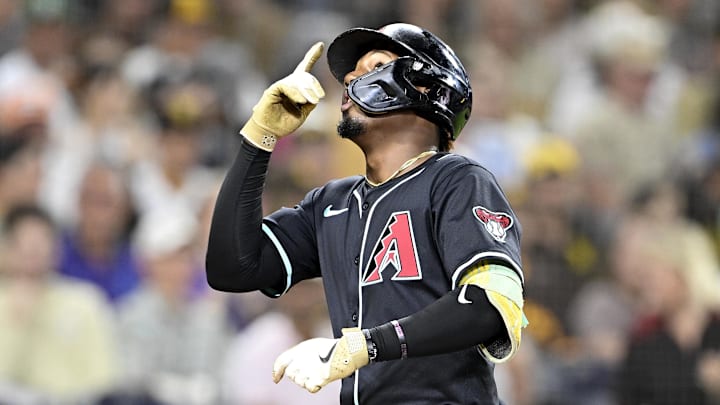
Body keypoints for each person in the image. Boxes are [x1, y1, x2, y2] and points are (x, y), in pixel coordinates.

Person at [206, 23, 527, 405]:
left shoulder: (457, 180)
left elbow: (492, 305)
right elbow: (233, 268)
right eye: (349, 74)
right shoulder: (330, 204)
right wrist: (259, 136)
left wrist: (368, 346)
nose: (351, 79)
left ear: (424, 86)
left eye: (373, 66)